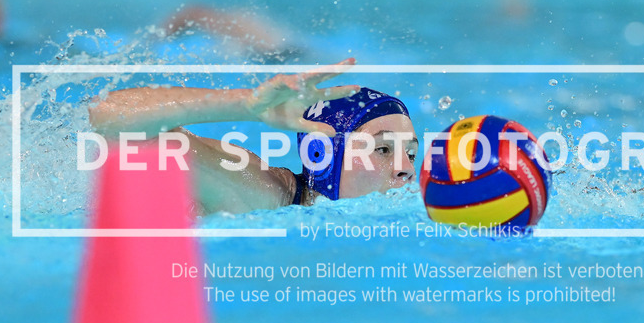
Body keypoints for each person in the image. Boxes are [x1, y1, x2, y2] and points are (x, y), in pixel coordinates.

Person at [88, 58, 419, 214]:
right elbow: (111, 123)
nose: (406, 169)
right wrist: (243, 106)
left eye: (412, 153)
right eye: (384, 149)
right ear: (324, 155)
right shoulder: (261, 193)